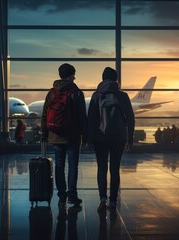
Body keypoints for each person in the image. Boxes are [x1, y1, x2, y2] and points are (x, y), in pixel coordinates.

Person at [87, 67, 135, 212]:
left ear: (102, 79)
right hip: (119, 137)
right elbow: (131, 118)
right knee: (115, 169)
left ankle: (103, 199)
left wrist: (89, 139)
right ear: (116, 80)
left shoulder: (96, 96)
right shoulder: (123, 96)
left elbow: (91, 120)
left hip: (100, 137)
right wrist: (130, 139)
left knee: (102, 169)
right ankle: (113, 201)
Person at [41, 63, 87, 207]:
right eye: (74, 74)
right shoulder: (77, 92)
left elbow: (44, 114)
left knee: (59, 166)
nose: (75, 77)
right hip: (72, 136)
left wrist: (44, 132)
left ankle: (61, 196)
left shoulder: (52, 92)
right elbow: (82, 117)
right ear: (71, 75)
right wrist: (85, 136)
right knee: (73, 166)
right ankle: (72, 195)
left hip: (55, 135)